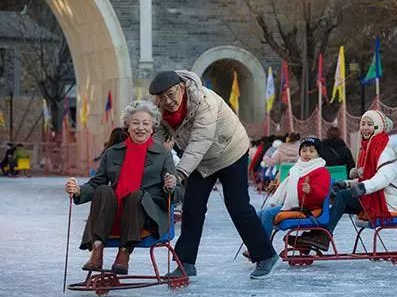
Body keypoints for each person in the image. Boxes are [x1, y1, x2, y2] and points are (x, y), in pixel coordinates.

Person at [149, 70, 279, 279]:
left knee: (238, 206)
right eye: (162, 97)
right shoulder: (161, 110)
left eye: (171, 94)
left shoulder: (204, 102)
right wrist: (146, 163)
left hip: (230, 151)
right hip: (201, 161)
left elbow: (200, 142)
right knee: (192, 208)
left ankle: (265, 255)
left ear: (181, 88)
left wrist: (180, 173)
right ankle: (186, 263)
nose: (168, 101)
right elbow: (156, 139)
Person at [64, 100, 183, 275]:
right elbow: (97, 182)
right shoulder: (112, 153)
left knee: (136, 195)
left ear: (153, 127)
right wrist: (78, 191)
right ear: (127, 126)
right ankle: (97, 250)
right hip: (114, 211)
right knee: (104, 190)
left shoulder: (163, 155)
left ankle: (124, 252)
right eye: (135, 123)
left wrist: (170, 186)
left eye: (145, 123)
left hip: (147, 215)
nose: (140, 127)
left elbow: (179, 193)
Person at [293, 110, 397, 251]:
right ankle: (318, 235)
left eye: (370, 124)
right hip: (375, 196)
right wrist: (346, 183)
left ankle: (322, 236)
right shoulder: (368, 147)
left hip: (388, 200)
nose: (365, 128)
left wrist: (362, 187)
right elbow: (367, 177)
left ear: (378, 127)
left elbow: (383, 178)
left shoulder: (384, 149)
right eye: (363, 124)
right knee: (341, 199)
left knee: (343, 197)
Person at [243, 137, 330, 259]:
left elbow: (322, 193)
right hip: (293, 206)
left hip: (307, 209)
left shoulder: (321, 171)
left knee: (267, 214)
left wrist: (311, 190)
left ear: (318, 154)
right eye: (304, 150)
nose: (307, 154)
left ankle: (262, 251)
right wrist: (277, 187)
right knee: (260, 213)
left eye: (311, 151)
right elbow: (289, 187)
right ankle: (254, 247)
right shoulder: (297, 168)